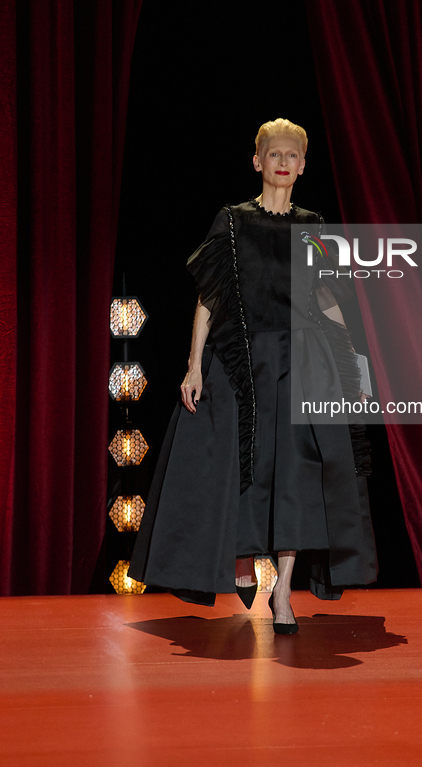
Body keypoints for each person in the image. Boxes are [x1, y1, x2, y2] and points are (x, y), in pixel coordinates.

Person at [129, 118, 377, 634]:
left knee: (296, 476)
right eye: (274, 153)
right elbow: (209, 297)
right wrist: (195, 364)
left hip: (301, 362)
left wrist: (353, 362)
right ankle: (241, 556)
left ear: (303, 165)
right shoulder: (233, 220)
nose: (283, 161)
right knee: (239, 466)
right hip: (240, 363)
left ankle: (283, 592)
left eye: (293, 155)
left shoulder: (315, 224)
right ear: (258, 161)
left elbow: (328, 299)